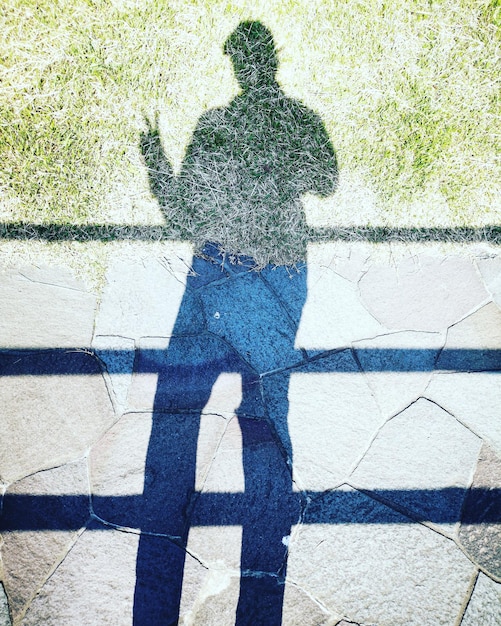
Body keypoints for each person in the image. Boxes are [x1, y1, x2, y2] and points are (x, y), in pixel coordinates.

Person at [135, 21, 338, 625]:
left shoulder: (219, 126)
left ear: (238, 65)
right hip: (272, 278)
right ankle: (268, 521)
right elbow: (326, 181)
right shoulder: (292, 119)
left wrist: (155, 159)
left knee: (180, 408)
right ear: (272, 61)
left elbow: (179, 213)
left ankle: (168, 511)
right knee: (265, 412)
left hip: (221, 278)